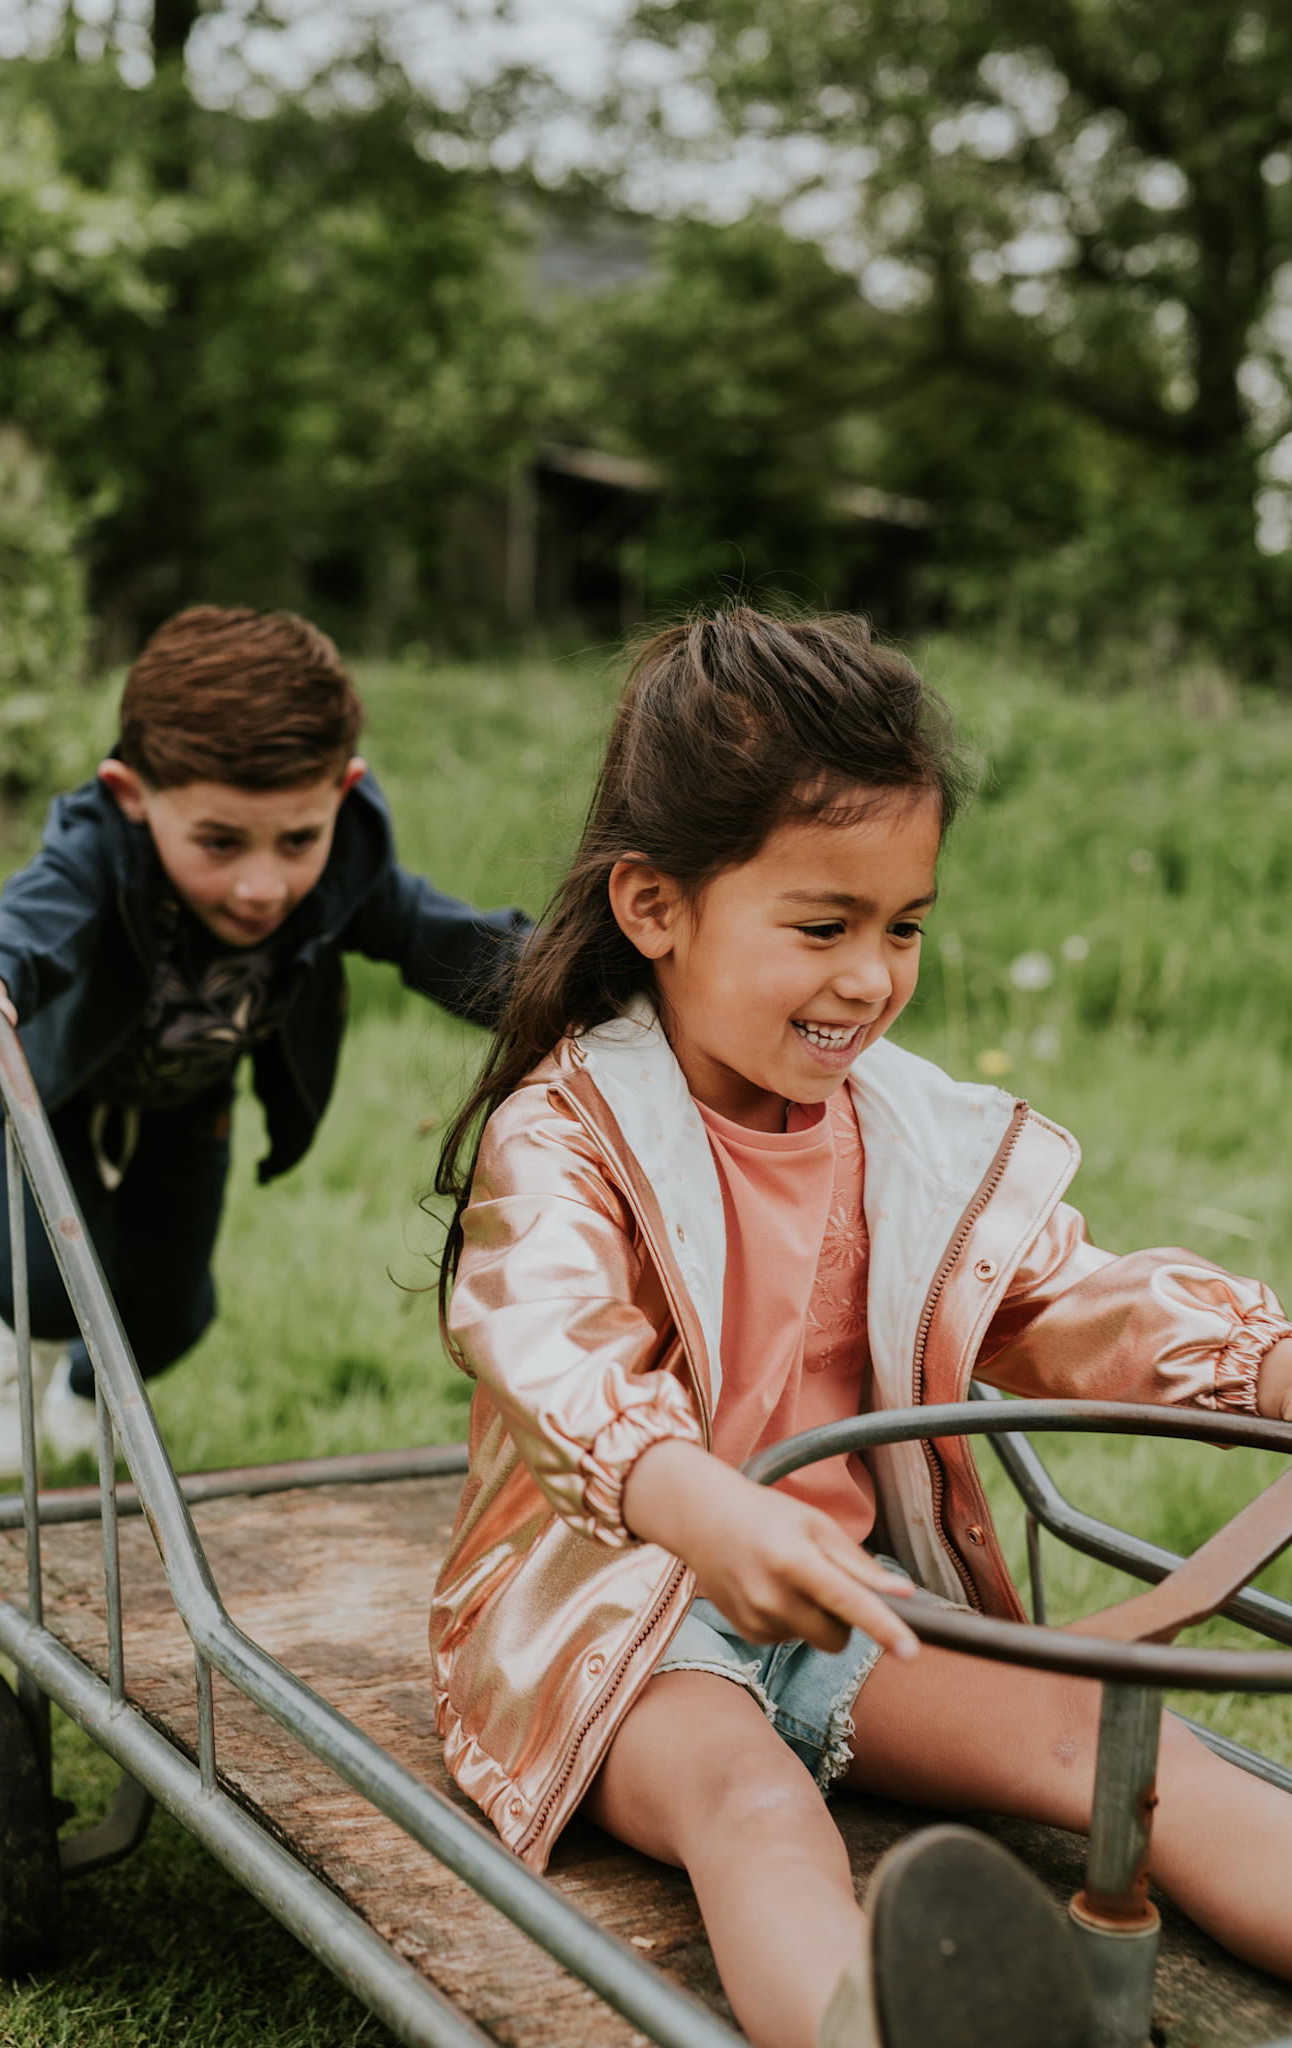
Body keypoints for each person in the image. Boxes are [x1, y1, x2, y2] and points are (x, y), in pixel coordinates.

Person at [427, 608, 1292, 2048]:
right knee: (751, 1807)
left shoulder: (903, 1134)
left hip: (846, 1599)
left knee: (1111, 1750)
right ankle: (881, 2032)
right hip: (623, 1623)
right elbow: (555, 1357)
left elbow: (1065, 1301)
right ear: (653, 908)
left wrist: (1258, 1360)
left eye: (901, 928)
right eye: (820, 927)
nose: (868, 978)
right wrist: (703, 1511)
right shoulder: (565, 1138)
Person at [0, 606, 530, 1475]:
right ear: (135, 796)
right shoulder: (99, 847)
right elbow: (27, 922)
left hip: (185, 1097)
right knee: (50, 1293)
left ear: (343, 791)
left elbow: (449, 940)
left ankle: (85, 1397)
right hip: (40, 1085)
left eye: (297, 839)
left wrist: (587, 981)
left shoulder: (350, 866)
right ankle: (15, 1347)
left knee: (171, 1314)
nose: (261, 885)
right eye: (218, 842)